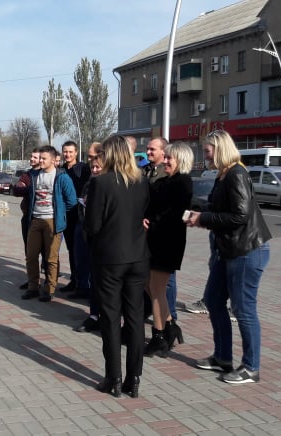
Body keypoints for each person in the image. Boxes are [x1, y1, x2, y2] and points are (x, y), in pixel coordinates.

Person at [185, 129, 272, 384]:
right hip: (228, 250)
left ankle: (250, 367)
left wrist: (204, 218)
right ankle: (222, 357)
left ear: (220, 149)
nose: (205, 156)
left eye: (207, 151)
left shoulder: (236, 174)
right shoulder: (223, 174)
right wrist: (198, 214)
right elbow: (220, 208)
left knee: (243, 309)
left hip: (246, 251)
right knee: (213, 300)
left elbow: (240, 215)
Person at [84, 134, 149, 398]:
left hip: (110, 258)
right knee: (135, 318)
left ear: (109, 155)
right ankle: (134, 378)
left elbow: (92, 225)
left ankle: (114, 377)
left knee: (111, 318)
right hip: (138, 257)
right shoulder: (142, 181)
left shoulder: (100, 183)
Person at [143, 142, 193, 358]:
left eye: (169, 158)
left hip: (168, 243)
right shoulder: (164, 181)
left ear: (180, 159)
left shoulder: (183, 182)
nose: (165, 161)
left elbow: (174, 213)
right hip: (155, 241)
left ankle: (159, 336)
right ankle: (171, 326)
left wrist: (152, 222)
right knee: (148, 285)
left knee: (157, 290)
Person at [18, 145, 77, 302]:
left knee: (51, 258)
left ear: (52, 160)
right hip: (35, 220)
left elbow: (72, 201)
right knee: (31, 256)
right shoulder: (34, 175)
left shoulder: (62, 177)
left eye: (44, 158)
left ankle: (49, 289)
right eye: (40, 158)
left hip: (53, 221)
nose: (41, 161)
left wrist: (59, 212)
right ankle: (33, 287)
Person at [142, 138, 179, 323]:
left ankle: (169, 318)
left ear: (163, 152)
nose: (148, 152)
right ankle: (155, 313)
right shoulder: (146, 171)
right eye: (147, 149)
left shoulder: (169, 174)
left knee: (166, 282)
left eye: (152, 149)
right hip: (148, 233)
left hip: (163, 235)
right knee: (148, 278)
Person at [73, 142, 104, 332]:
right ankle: (94, 315)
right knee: (93, 277)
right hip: (89, 234)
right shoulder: (89, 182)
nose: (94, 169)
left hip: (105, 240)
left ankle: (106, 317)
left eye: (98, 166)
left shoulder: (109, 185)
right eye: (92, 166)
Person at [59, 141, 91, 297]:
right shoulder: (61, 170)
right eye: (65, 152)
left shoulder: (83, 169)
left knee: (80, 252)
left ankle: (83, 284)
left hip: (80, 215)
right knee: (71, 250)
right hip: (67, 215)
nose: (67, 155)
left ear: (76, 152)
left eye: (70, 152)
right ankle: (74, 279)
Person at [13, 149, 47, 290]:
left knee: (46, 252)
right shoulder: (27, 175)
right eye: (31, 156)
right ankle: (32, 280)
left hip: (44, 218)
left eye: (35, 157)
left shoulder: (46, 174)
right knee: (30, 252)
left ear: (41, 159)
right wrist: (32, 189)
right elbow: (16, 190)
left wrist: (29, 188)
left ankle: (49, 283)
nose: (31, 159)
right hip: (28, 218)